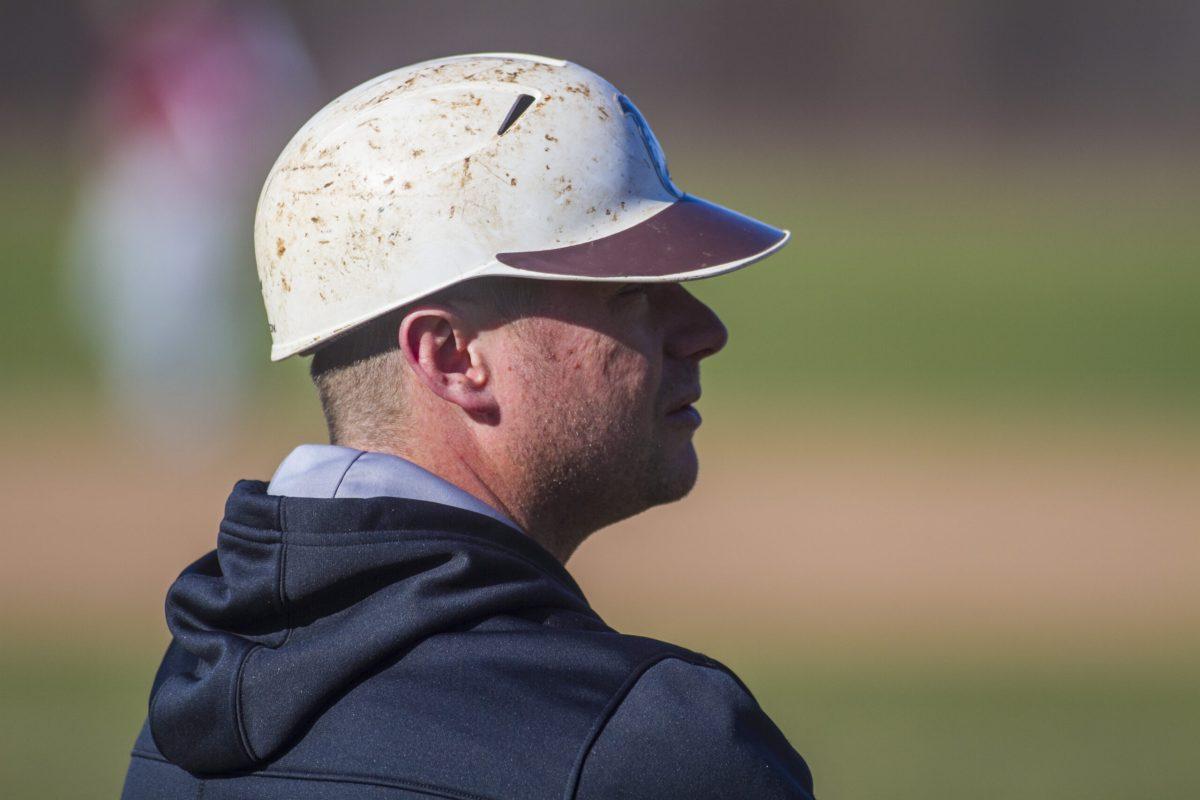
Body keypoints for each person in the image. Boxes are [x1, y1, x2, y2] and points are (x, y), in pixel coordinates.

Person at [122, 53, 814, 799]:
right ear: (452, 356)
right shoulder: (646, 745)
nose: (703, 330)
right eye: (630, 293)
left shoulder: (183, 723)